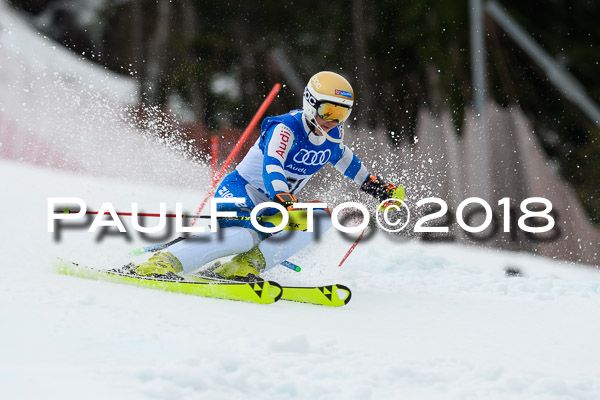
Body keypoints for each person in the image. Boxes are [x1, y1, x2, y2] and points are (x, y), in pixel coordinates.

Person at [133, 71, 403, 281]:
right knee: (244, 236)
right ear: (311, 103)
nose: (332, 121)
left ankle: (244, 265)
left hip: (275, 204)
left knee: (321, 219)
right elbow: (272, 164)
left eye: (341, 114)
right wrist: (281, 196)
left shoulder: (331, 137)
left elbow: (348, 162)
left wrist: (376, 188)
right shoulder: (286, 128)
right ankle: (164, 261)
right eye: (327, 112)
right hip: (241, 191)